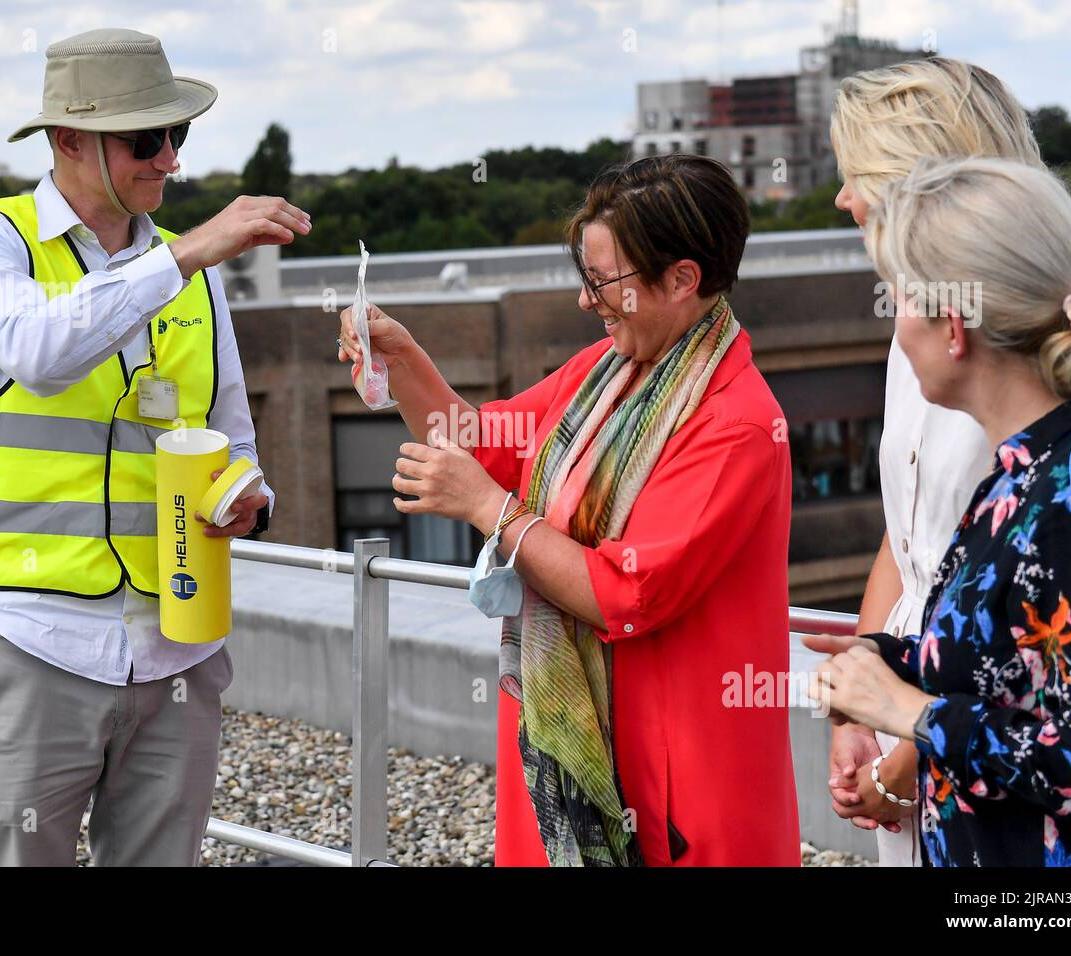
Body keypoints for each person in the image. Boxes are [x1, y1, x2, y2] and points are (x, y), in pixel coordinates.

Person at [337, 154, 800, 866]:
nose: (589, 301)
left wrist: (492, 512)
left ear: (683, 279)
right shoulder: (608, 370)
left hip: (673, 769)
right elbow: (487, 442)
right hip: (584, 736)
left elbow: (623, 591)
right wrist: (401, 362)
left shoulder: (734, 424)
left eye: (604, 281)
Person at [0, 28, 309, 865]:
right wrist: (183, 257)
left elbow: (233, 438)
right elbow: (39, 348)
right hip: (32, 641)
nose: (170, 160)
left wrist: (247, 494)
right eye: (148, 139)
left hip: (178, 647)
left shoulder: (192, 278)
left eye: (179, 136)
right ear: (68, 139)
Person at [806, 156, 1071, 866]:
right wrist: (887, 661)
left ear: (952, 329)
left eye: (899, 303)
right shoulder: (1019, 474)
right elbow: (1011, 672)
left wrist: (910, 713)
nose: (897, 332)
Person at [825, 57, 1046, 865]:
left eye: (855, 176)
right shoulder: (911, 329)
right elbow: (907, 535)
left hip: (982, 731)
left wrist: (906, 753)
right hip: (907, 709)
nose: (843, 200)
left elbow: (1028, 614)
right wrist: (856, 702)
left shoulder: (1031, 355)